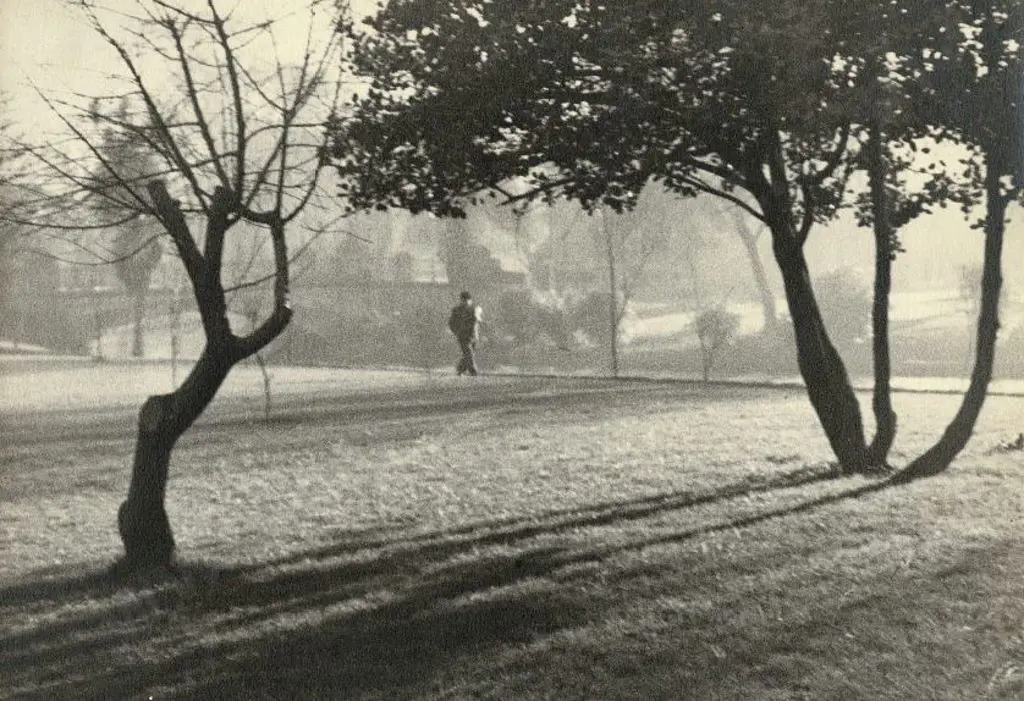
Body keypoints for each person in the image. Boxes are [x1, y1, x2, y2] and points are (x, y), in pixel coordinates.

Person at [448, 290, 482, 376]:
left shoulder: (474, 309)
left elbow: (477, 322)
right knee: (468, 353)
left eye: (468, 300)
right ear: (461, 300)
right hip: (462, 335)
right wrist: (456, 331)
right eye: (464, 300)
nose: (466, 302)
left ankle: (460, 369)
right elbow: (451, 323)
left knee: (468, 354)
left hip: (473, 335)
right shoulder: (457, 310)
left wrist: (477, 335)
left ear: (470, 300)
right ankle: (473, 371)